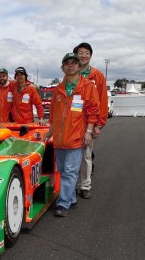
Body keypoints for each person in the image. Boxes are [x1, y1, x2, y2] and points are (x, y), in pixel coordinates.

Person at [43, 53, 99, 217]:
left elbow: (93, 112)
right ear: (62, 67)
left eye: (74, 62)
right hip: (60, 140)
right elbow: (53, 114)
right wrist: (50, 132)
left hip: (76, 139)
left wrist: (88, 132)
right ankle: (72, 198)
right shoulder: (58, 90)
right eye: (67, 63)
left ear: (79, 66)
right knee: (62, 170)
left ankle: (63, 203)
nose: (71, 65)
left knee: (69, 172)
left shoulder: (88, 87)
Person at [73, 42, 108, 199]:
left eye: (86, 53)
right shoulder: (71, 73)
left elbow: (102, 100)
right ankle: (72, 185)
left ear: (91, 55)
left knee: (86, 155)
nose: (83, 55)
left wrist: (99, 124)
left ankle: (85, 186)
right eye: (80, 53)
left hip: (90, 122)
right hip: (72, 122)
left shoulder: (97, 75)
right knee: (71, 155)